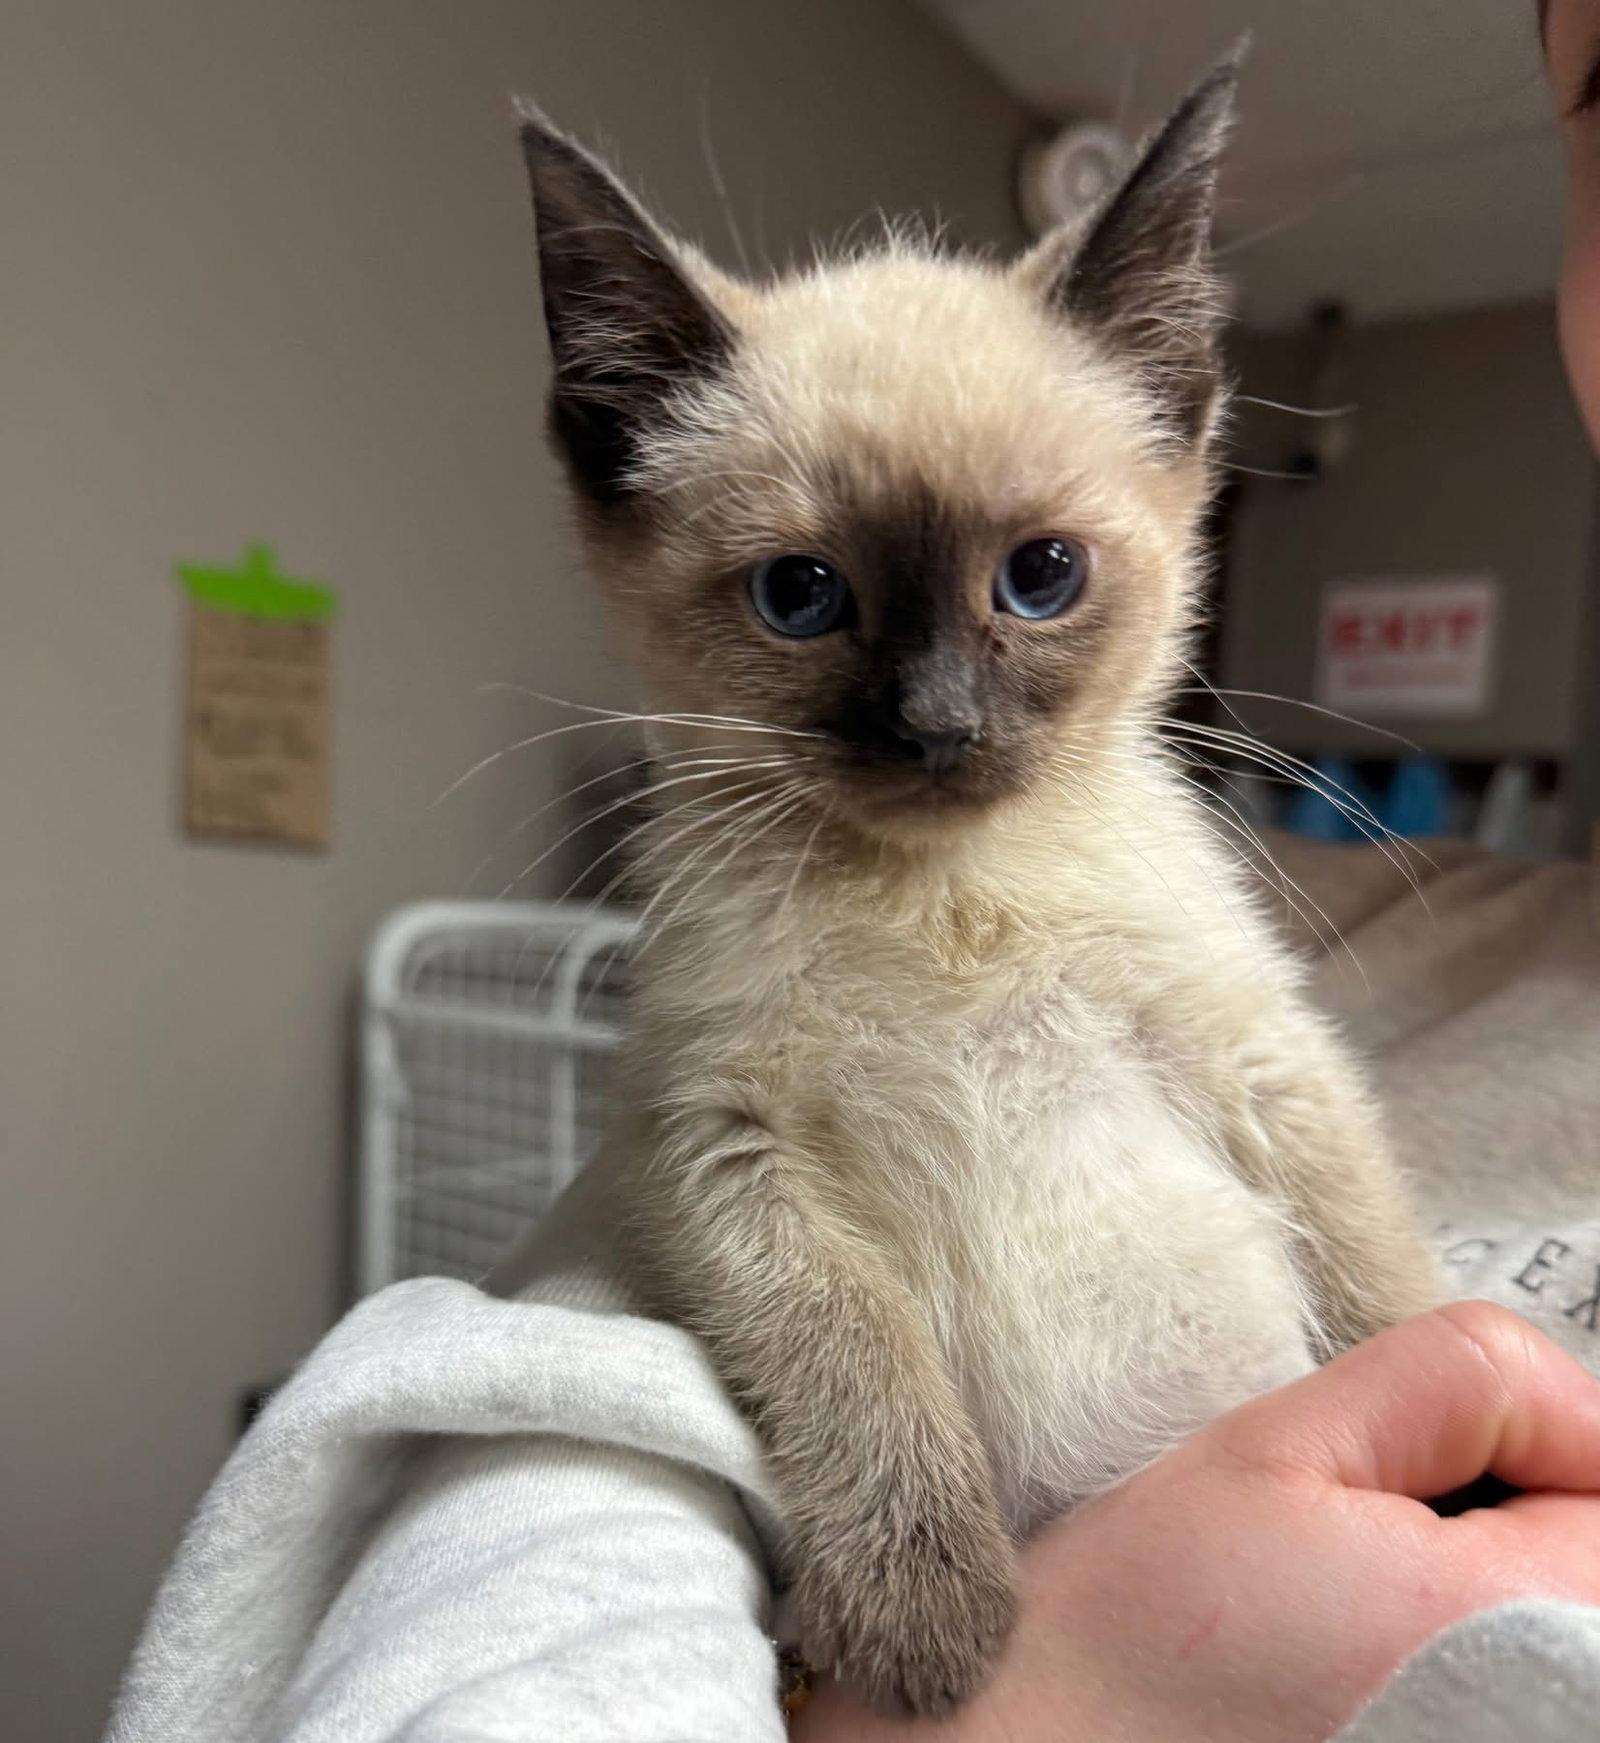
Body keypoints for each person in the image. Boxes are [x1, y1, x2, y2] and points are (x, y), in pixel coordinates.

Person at [107, 7, 1600, 1740]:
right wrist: (898, 1514)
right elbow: (711, 1152)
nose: (939, 713)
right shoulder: (730, 879)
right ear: (620, 479)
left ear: (1177, 444)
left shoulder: (1146, 838)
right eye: (803, 597)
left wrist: (1442, 1427)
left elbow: (1274, 1096)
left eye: (1038, 579)